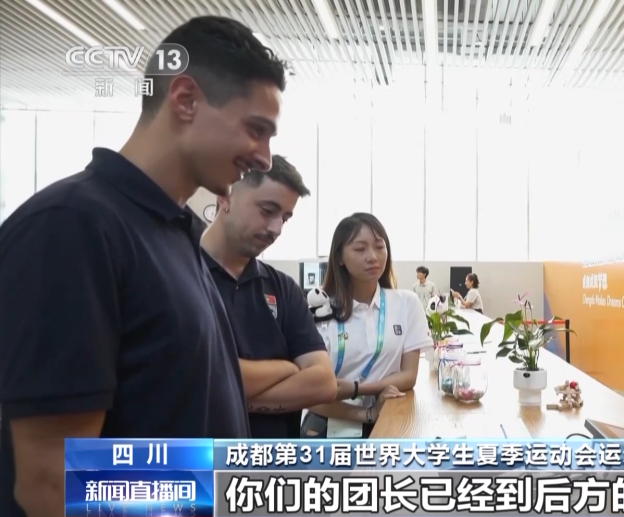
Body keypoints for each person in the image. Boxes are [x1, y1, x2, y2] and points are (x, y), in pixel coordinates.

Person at [0, 16, 286, 517]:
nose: (264, 157)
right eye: (255, 130)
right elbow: (51, 482)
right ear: (185, 99)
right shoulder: (72, 227)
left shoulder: (175, 232)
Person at [200, 155, 342, 438]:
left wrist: (228, 399)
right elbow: (193, 378)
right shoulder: (178, 277)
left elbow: (324, 384)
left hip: (273, 461)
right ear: (224, 197)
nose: (276, 229)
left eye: (285, 218)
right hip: (195, 460)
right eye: (267, 211)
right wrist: (287, 368)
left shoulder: (283, 289)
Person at [307, 213, 433, 438]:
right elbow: (309, 393)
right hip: (327, 424)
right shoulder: (320, 310)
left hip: (388, 415)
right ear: (339, 257)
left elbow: (409, 376)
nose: (373, 257)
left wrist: (357, 389)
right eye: (360, 249)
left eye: (379, 247)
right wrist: (367, 413)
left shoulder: (406, 303)